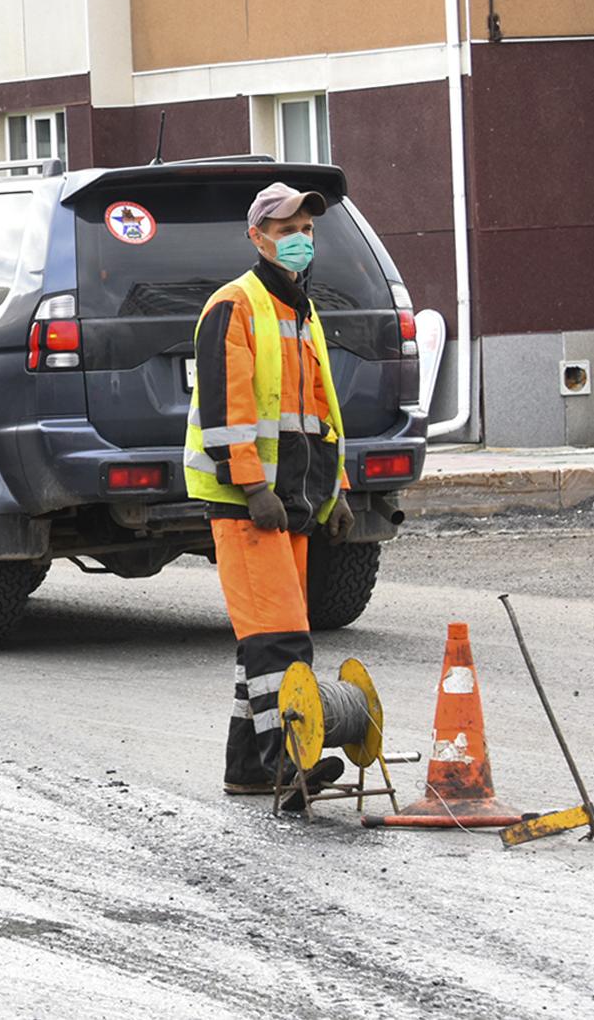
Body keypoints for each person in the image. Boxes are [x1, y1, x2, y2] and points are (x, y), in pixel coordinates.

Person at [184, 181, 352, 806]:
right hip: (249, 502)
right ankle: (290, 763)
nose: (300, 240)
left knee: (263, 637)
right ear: (256, 237)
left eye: (308, 230)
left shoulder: (301, 312)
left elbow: (319, 412)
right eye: (287, 230)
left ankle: (247, 768)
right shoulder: (236, 305)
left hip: (292, 502)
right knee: (280, 636)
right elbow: (228, 411)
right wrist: (252, 486)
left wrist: (339, 491)